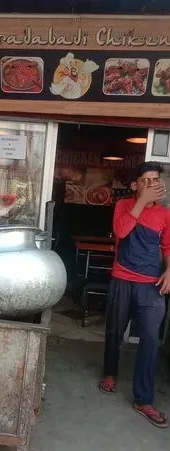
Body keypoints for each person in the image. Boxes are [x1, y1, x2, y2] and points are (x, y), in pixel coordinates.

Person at [100, 161, 170, 428]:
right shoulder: (123, 206)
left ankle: (143, 399)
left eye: (155, 180)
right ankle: (110, 372)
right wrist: (141, 202)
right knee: (115, 331)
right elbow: (121, 231)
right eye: (145, 180)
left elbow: (168, 246)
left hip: (151, 285)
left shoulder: (165, 214)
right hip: (122, 279)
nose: (151, 185)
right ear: (134, 185)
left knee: (150, 340)